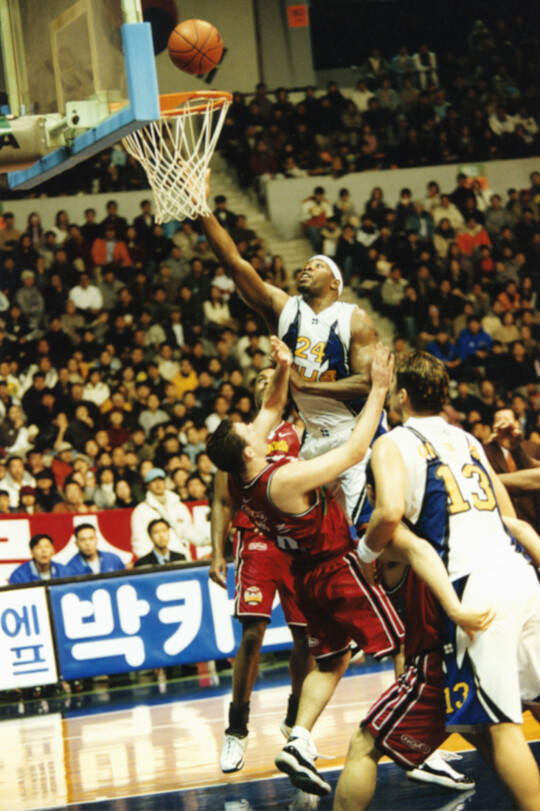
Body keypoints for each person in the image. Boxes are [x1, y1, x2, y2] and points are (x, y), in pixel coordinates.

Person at [207, 340, 405, 796]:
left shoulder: (243, 468)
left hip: (302, 569)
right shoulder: (281, 477)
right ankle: (412, 737)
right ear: (249, 449)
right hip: (330, 562)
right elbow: (354, 451)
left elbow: (270, 406)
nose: (256, 423)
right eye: (248, 428)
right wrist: (378, 389)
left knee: (329, 658)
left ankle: (298, 735)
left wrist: (282, 367)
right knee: (402, 644)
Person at [355, 350, 540, 811]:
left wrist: (365, 553)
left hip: (474, 583)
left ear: (401, 395)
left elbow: (389, 511)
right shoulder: (469, 440)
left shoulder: (393, 442)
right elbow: (511, 520)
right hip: (519, 573)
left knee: (502, 726)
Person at [199, 178, 382, 531]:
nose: (307, 267)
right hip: (314, 436)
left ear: (335, 284)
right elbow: (234, 262)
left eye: (318, 265)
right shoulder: (284, 308)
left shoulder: (353, 318)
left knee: (367, 529)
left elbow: (366, 384)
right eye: (306, 264)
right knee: (317, 533)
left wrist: (305, 385)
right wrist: (202, 210)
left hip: (357, 431)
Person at [210, 359, 311, 774]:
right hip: (254, 538)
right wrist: (216, 552)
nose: (267, 382)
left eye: (274, 377)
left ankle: (295, 719)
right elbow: (221, 499)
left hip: (295, 540)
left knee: (306, 636)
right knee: (252, 633)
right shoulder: (239, 440)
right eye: (260, 379)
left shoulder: (301, 432)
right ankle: (237, 729)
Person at [130, 468, 207, 559]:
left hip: (181, 556)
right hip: (158, 560)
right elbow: (140, 541)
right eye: (154, 481)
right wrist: (152, 561)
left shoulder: (178, 505)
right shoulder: (141, 511)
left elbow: (188, 530)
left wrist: (206, 541)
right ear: (147, 485)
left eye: (161, 480)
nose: (158, 484)